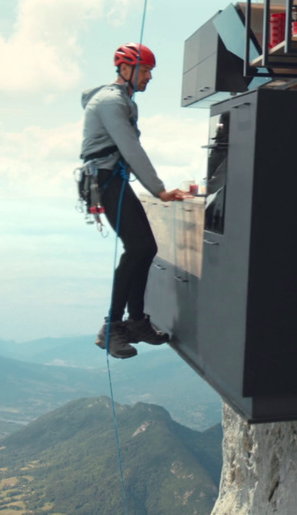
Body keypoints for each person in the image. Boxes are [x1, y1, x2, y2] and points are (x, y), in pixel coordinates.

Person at [80, 43, 189, 359]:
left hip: (110, 179)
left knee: (145, 248)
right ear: (125, 69)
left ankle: (136, 321)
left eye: (150, 71)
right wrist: (159, 190)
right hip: (105, 181)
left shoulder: (121, 102)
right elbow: (131, 149)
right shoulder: (111, 103)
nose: (149, 77)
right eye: (145, 70)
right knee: (139, 248)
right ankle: (113, 327)